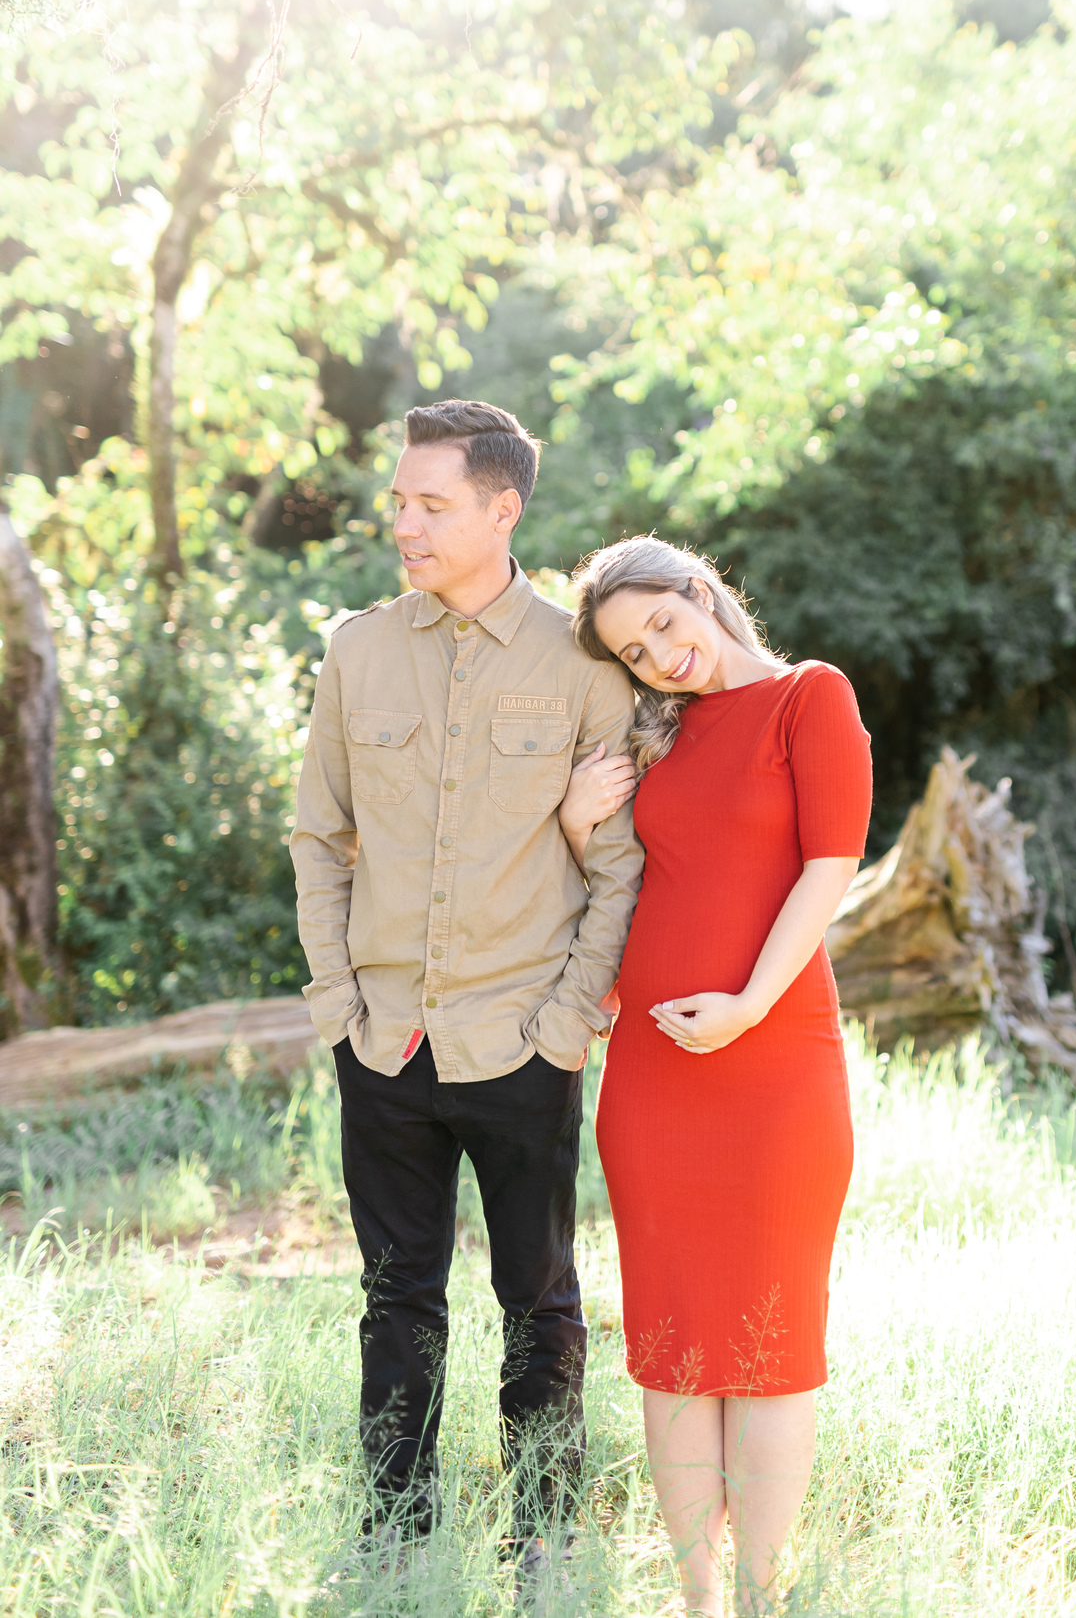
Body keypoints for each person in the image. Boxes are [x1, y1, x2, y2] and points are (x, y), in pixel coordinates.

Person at [289, 401, 643, 1577]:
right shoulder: (357, 651)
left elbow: (619, 863)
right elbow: (320, 838)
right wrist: (337, 1004)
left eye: (432, 504)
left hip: (524, 1041)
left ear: (504, 510)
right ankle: (397, 1542)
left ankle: (544, 1538)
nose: (406, 523)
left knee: (539, 1298)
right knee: (397, 1298)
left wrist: (569, 1020)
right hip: (384, 1040)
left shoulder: (582, 659)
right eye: (399, 501)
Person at [560, 536, 872, 1618]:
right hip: (655, 1080)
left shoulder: (808, 697)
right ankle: (696, 1598)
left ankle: (760, 1599)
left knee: (772, 1342)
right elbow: (628, 887)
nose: (659, 657)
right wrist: (575, 825)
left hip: (777, 1069)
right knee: (674, 1345)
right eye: (634, 653)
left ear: (701, 591)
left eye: (662, 624)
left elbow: (831, 865)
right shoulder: (657, 738)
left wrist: (746, 1004)